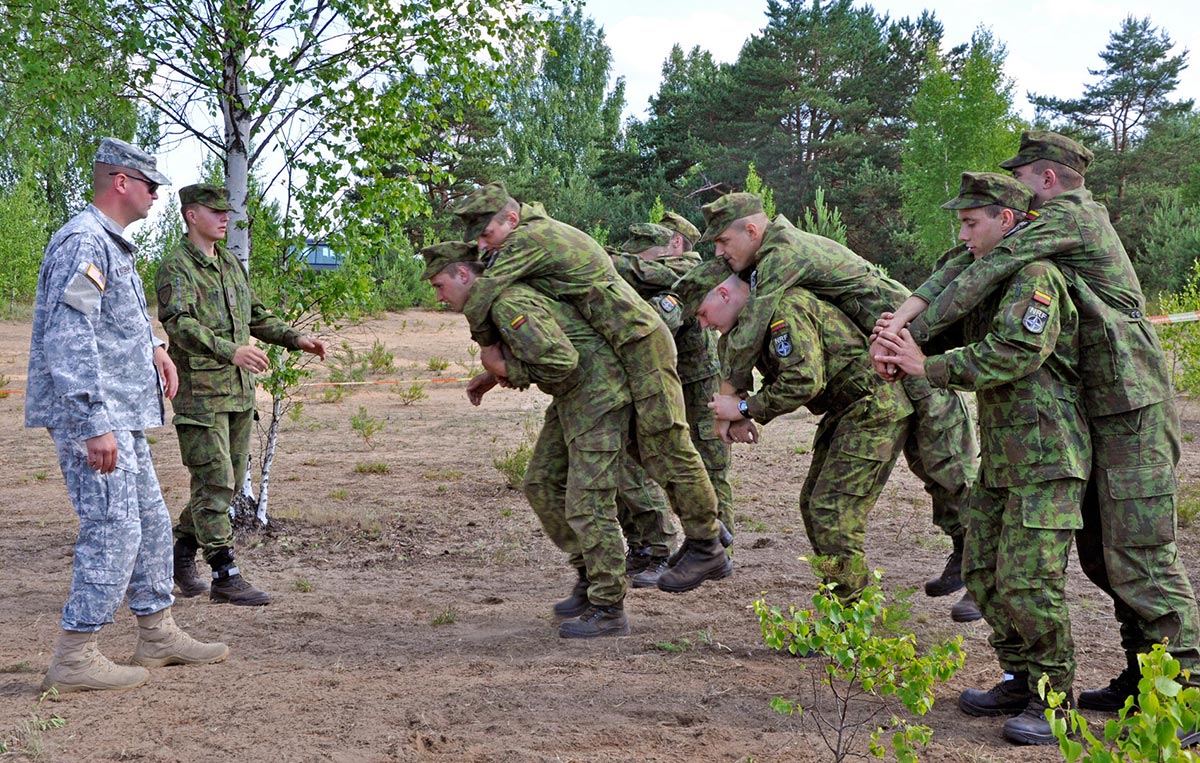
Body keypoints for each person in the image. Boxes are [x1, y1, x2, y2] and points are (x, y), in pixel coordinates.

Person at [877, 131, 1200, 709]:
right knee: (1104, 557)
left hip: (1134, 411)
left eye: (1021, 181)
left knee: (1141, 557)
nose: (1016, 196)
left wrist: (913, 342)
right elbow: (956, 264)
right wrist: (899, 327)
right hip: (1101, 409)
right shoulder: (1038, 230)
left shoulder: (1071, 217)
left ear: (1045, 181)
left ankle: (1190, 694)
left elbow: (982, 268)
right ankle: (1144, 676)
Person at [875, 171, 1090, 745]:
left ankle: (1055, 700)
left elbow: (1014, 352)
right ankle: (1020, 677)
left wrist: (927, 366)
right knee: (982, 571)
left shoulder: (1037, 277)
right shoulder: (985, 279)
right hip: (1004, 456)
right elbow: (948, 336)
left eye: (973, 223)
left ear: (1008, 220)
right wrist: (899, 344)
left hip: (1048, 457)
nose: (964, 234)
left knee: (1029, 581)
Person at [698, 192, 980, 620]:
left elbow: (752, 324)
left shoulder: (780, 255)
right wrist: (734, 402)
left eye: (722, 241)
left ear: (752, 231)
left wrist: (736, 404)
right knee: (917, 474)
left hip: (910, 348)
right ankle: (964, 566)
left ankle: (982, 575)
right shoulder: (765, 264)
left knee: (948, 468)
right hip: (886, 359)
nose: (720, 252)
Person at [452, 183, 729, 594]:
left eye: (486, 234)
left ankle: (707, 542)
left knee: (666, 441)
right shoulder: (530, 235)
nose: (482, 244)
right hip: (617, 349)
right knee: (643, 449)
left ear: (510, 219)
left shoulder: (531, 236)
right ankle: (703, 533)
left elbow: (484, 290)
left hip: (639, 342)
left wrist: (489, 350)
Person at [26, 138, 229, 694]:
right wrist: (93, 422)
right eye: (150, 184)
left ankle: (157, 631)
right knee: (112, 528)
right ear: (121, 182)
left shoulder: (112, 246)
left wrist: (156, 348)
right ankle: (74, 654)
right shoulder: (84, 242)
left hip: (121, 412)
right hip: (92, 415)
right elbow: (70, 335)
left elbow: (118, 320)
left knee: (151, 522)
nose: (157, 195)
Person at [675, 254, 912, 604]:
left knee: (831, 509)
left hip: (873, 408)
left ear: (723, 295)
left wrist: (743, 408)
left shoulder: (784, 310)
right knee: (813, 504)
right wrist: (739, 412)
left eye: (702, 313)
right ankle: (842, 608)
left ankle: (851, 619)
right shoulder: (748, 326)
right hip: (849, 410)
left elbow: (804, 381)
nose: (704, 324)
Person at [424, 241, 633, 637]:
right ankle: (590, 576)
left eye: (439, 285)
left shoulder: (508, 304)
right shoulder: (494, 305)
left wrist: (507, 369)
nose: (437, 296)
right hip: (575, 394)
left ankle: (609, 607)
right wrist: (494, 375)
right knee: (540, 482)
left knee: (588, 500)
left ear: (463, 275)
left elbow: (561, 360)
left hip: (597, 393)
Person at [156, 183, 327, 606]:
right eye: (215, 211)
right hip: (199, 395)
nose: (224, 218)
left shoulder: (230, 263)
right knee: (215, 481)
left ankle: (181, 548)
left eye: (226, 211)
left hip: (236, 395)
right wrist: (231, 351)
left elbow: (253, 313)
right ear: (191, 215)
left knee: (227, 488)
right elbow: (179, 325)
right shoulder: (176, 268)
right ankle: (225, 575)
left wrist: (294, 338)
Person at [611, 222, 733, 585]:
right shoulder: (654, 274)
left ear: (674, 245)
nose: (636, 258)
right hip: (659, 379)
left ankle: (714, 551)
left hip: (699, 382)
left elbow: (646, 276)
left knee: (709, 463)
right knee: (647, 461)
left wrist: (602, 259)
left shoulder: (690, 268)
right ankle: (657, 546)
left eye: (642, 250)